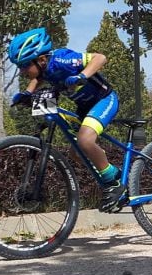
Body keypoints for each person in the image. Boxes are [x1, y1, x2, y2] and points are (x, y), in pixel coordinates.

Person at [7, 27, 126, 212]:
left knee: (85, 140)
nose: (21, 71)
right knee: (76, 153)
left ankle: (114, 179)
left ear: (41, 59)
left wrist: (81, 75)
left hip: (105, 100)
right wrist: (27, 94)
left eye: (23, 65)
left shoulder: (62, 59)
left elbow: (100, 57)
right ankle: (107, 169)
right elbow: (39, 79)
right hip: (84, 108)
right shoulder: (43, 70)